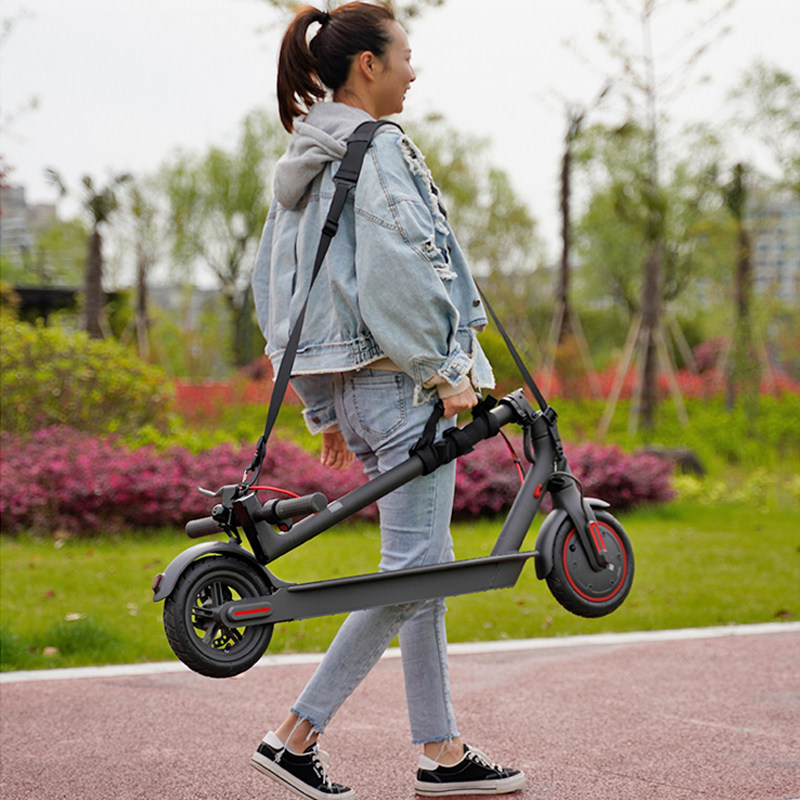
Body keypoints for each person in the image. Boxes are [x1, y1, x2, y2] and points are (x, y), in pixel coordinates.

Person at [250, 3, 526, 798]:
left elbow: (281, 294)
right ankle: (293, 735)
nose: (414, 68)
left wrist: (325, 409)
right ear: (367, 64)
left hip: (356, 390)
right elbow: (401, 270)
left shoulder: (307, 156)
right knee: (414, 570)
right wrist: (447, 371)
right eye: (406, 53)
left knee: (423, 569)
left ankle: (442, 754)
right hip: (403, 385)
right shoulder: (379, 149)